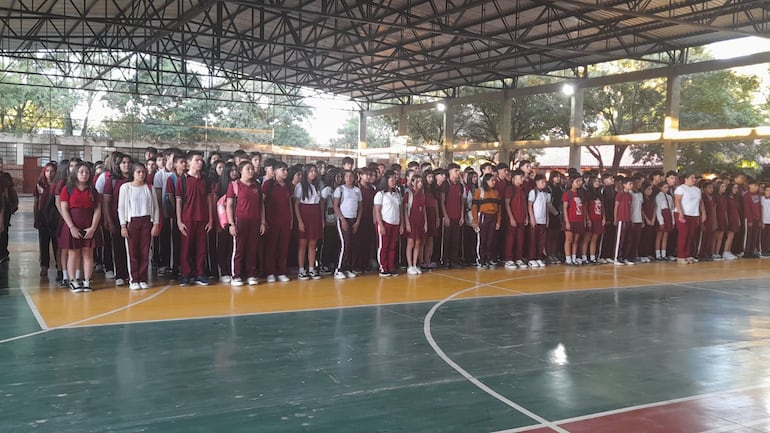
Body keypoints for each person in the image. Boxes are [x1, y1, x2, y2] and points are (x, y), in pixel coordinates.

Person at [59, 163, 102, 292]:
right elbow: (64, 209)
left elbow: (98, 210)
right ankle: (73, 281)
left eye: (87, 172)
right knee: (73, 253)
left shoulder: (93, 191)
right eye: (81, 172)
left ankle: (87, 280)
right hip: (73, 225)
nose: (84, 174)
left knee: (88, 254)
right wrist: (71, 227)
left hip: (88, 225)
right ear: (75, 174)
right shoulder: (67, 189)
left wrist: (93, 228)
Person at [118, 162, 161, 290]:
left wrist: (156, 223)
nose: (141, 174)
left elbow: (156, 208)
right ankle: (134, 279)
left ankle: (143, 278)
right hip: (132, 222)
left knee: (145, 251)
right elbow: (121, 208)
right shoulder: (125, 188)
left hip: (147, 221)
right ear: (133, 173)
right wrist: (123, 225)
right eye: (138, 172)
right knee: (132, 252)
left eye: (143, 172)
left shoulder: (149, 187)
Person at [176, 151, 214, 286]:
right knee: (186, 248)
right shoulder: (183, 180)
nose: (200, 162)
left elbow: (209, 200)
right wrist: (179, 221)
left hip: (203, 219)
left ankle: (200, 274)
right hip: (187, 219)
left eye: (201, 160)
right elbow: (179, 201)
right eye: (197, 160)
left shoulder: (206, 180)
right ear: (189, 163)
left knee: (201, 248)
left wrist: (210, 219)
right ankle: (186, 274)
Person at [226, 161, 266, 286]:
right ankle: (236, 275)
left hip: (255, 221)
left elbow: (261, 205)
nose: (251, 171)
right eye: (248, 169)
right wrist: (231, 224)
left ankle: (251, 274)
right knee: (239, 249)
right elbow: (229, 205)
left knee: (252, 249)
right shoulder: (234, 185)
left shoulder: (257, 186)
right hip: (240, 221)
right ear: (240, 171)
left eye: (252, 169)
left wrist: (263, 222)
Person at [294, 163, 323, 280]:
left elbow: (320, 203)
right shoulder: (300, 186)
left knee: (313, 243)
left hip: (315, 215)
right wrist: (300, 221)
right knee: (303, 244)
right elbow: (296, 205)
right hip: (304, 214)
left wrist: (321, 219)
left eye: (315, 171)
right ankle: (301, 269)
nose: (313, 173)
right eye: (311, 171)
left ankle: (311, 268)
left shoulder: (317, 186)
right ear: (306, 172)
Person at [333, 170, 362, 279]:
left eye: (351, 176)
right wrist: (342, 219)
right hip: (343, 219)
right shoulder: (340, 189)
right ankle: (339, 269)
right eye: (347, 176)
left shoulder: (357, 190)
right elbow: (336, 206)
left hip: (353, 219)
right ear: (344, 178)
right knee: (345, 243)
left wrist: (357, 221)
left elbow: (360, 207)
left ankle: (348, 268)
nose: (349, 178)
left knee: (352, 244)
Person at [374, 170, 403, 277]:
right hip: (385, 223)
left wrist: (402, 224)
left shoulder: (397, 194)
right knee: (383, 247)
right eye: (391, 179)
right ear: (386, 181)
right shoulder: (380, 194)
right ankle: (383, 267)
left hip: (395, 223)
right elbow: (377, 211)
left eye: (395, 179)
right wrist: (380, 225)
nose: (394, 181)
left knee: (392, 246)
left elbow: (400, 210)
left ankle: (391, 267)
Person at [471, 173, 501, 269]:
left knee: (490, 239)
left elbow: (499, 209)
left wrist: (498, 221)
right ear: (486, 181)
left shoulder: (496, 192)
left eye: (494, 180)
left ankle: (489, 259)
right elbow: (474, 207)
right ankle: (481, 260)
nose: (494, 182)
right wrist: (475, 221)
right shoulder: (480, 191)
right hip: (483, 217)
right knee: (482, 239)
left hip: (493, 217)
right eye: (492, 180)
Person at [33, 162, 58, 276]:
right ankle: (44, 266)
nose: (49, 173)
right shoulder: (40, 185)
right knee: (43, 243)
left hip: (55, 219)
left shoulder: (58, 185)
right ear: (44, 172)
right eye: (47, 171)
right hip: (43, 219)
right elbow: (36, 202)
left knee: (57, 243)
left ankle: (60, 265)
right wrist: (36, 218)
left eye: (52, 171)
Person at [674, 173, 704, 264]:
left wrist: (703, 212)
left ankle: (688, 254)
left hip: (694, 214)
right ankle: (681, 256)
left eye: (694, 178)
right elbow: (677, 201)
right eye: (692, 178)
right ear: (685, 179)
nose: (694, 179)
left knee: (691, 235)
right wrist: (681, 212)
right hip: (683, 214)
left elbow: (700, 202)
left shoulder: (697, 190)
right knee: (684, 234)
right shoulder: (680, 188)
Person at [440, 163, 464, 268]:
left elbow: (462, 201)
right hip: (448, 216)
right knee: (446, 240)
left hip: (458, 217)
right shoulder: (445, 184)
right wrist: (445, 216)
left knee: (456, 240)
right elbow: (442, 202)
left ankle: (455, 260)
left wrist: (462, 216)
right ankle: (445, 260)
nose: (458, 173)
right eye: (456, 171)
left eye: (459, 171)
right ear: (450, 171)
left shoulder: (460, 186)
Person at [504, 169, 528, 269]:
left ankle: (519, 258)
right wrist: (511, 218)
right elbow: (507, 204)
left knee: (520, 239)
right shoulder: (510, 189)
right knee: (510, 239)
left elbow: (525, 204)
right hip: (513, 219)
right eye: (520, 177)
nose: (522, 179)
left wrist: (526, 216)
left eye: (523, 177)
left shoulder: (522, 189)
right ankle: (508, 259)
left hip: (522, 218)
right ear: (514, 178)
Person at [404, 174, 427, 275]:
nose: (420, 184)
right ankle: (409, 265)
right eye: (418, 182)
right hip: (411, 220)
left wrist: (425, 222)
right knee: (410, 243)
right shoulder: (408, 194)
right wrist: (407, 223)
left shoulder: (422, 194)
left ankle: (415, 264)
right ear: (413, 182)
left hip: (420, 220)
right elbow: (404, 209)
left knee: (418, 243)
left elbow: (424, 209)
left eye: (421, 182)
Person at [527, 174, 550, 268]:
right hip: (535, 220)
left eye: (545, 182)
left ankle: (539, 257)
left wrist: (547, 218)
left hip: (543, 220)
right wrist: (532, 218)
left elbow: (547, 207)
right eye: (542, 182)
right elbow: (529, 206)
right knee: (533, 240)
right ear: (536, 182)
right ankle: (531, 258)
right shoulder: (533, 192)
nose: (544, 184)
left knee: (541, 240)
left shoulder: (546, 194)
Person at [562, 175, 585, 266]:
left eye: (580, 181)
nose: (579, 183)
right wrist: (567, 221)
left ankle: (574, 257)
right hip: (570, 220)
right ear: (572, 182)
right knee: (569, 239)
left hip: (579, 220)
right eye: (577, 181)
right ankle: (568, 259)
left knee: (576, 240)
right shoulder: (567, 194)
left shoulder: (581, 194)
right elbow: (565, 208)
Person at [581, 176, 605, 265]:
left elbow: (603, 208)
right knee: (587, 238)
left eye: (598, 181)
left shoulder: (600, 194)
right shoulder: (587, 194)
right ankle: (584, 257)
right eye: (595, 181)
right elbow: (585, 207)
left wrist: (604, 218)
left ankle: (592, 257)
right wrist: (587, 219)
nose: (597, 183)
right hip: (591, 218)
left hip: (598, 218)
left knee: (595, 239)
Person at [0, 157, 19, 263]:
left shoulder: (6, 177)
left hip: (5, 208)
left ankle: (3, 253)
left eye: (1, 163)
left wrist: (12, 205)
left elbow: (9, 192)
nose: (0, 165)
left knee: (3, 230)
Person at [614, 177, 634, 265]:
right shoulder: (620, 194)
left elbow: (630, 208)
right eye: (630, 184)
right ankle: (617, 257)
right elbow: (616, 207)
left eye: (632, 184)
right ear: (624, 185)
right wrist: (616, 218)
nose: (631, 186)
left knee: (628, 239)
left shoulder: (630, 195)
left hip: (628, 219)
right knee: (620, 239)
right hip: (621, 219)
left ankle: (625, 257)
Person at [654, 182, 674, 261]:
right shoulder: (658, 196)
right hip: (662, 215)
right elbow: (658, 209)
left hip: (668, 215)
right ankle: (658, 254)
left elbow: (672, 209)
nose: (666, 189)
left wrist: (673, 221)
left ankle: (664, 254)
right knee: (659, 235)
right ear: (660, 188)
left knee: (666, 235)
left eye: (667, 187)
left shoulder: (669, 197)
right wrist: (661, 221)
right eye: (664, 187)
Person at [743, 179, 762, 258]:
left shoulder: (757, 195)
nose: (757, 187)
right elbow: (747, 208)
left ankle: (752, 251)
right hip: (750, 219)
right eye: (755, 185)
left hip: (757, 218)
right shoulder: (747, 195)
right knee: (749, 235)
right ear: (750, 186)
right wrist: (749, 219)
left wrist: (760, 219)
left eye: (757, 186)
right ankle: (746, 251)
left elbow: (759, 207)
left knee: (755, 235)